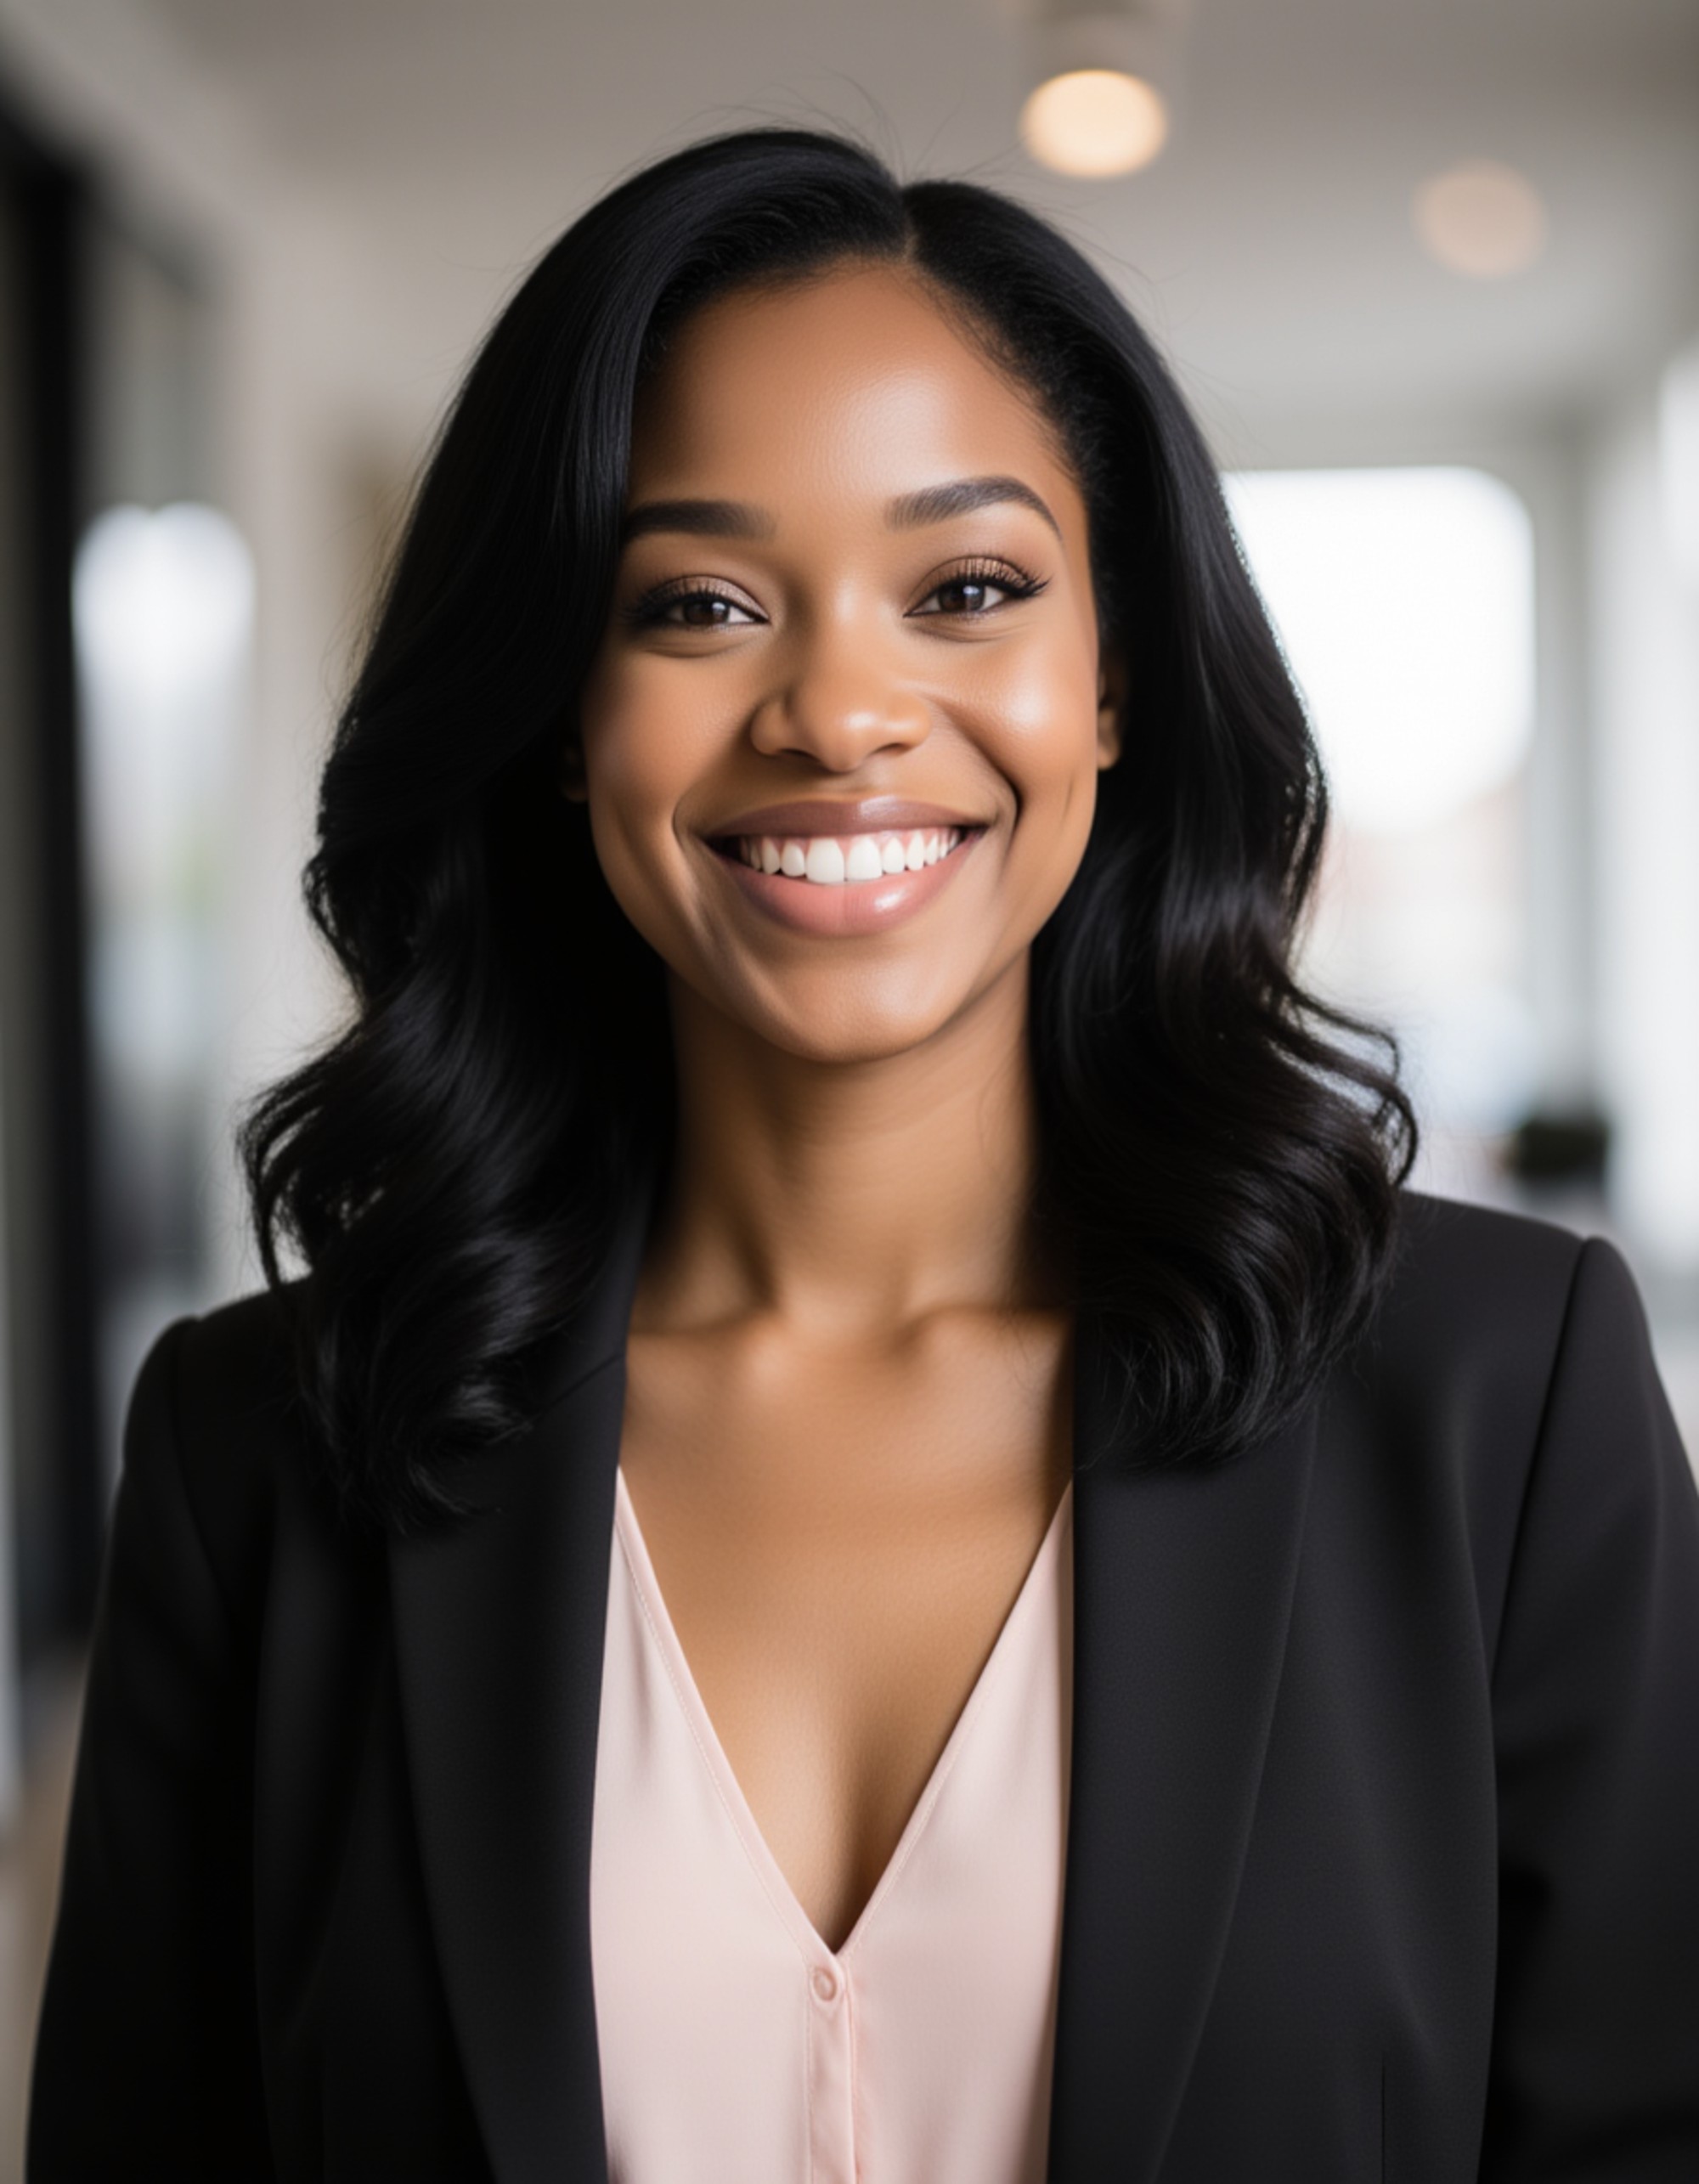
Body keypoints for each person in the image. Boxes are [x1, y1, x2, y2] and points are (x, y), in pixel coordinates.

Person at [27, 128, 1699, 2184]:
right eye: (699, 603)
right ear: (563, 718)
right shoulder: (262, 1451)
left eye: (966, 588)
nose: (837, 709)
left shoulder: (1499, 1397)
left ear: (1110, 680)